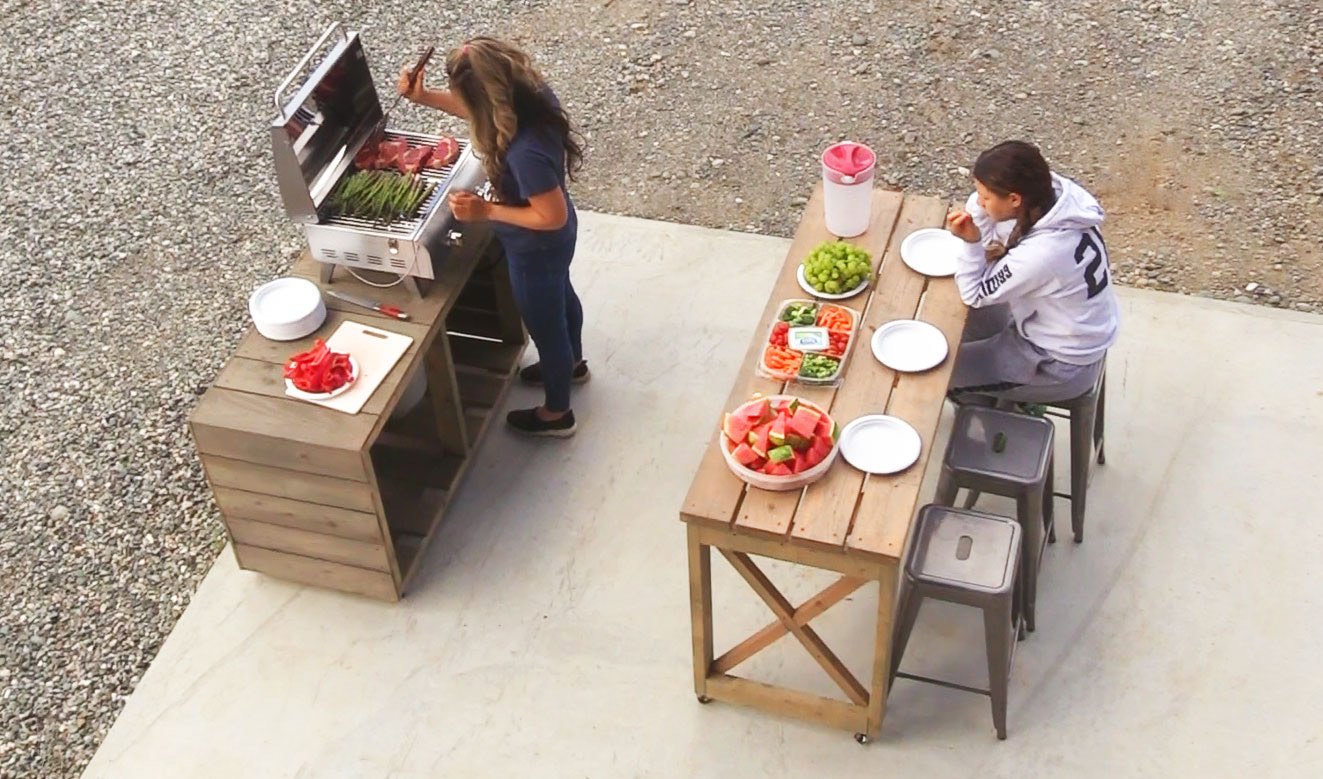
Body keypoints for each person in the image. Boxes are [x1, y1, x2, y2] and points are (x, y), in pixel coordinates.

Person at [397, 37, 587, 437]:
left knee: (546, 330)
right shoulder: (530, 97)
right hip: (554, 246)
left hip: (535, 247)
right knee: (562, 296)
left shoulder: (525, 154)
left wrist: (486, 211)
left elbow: (549, 216)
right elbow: (481, 111)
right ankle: (573, 365)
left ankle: (558, 414)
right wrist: (426, 97)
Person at [944, 140, 1119, 404]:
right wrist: (983, 205)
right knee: (960, 322)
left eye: (986, 197)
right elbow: (996, 232)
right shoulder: (1055, 197)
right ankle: (992, 392)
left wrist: (971, 242)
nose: (978, 203)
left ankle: (992, 415)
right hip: (1074, 329)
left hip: (1055, 363)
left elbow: (974, 293)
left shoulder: (1042, 254)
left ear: (1014, 199)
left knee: (941, 376)